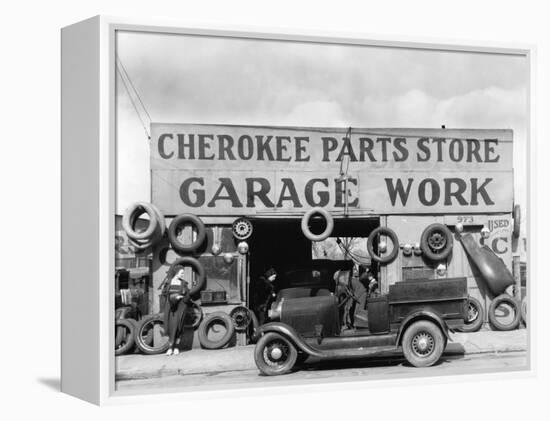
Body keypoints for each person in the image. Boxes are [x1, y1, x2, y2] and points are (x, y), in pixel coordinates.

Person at [162, 265, 191, 356]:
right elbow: (164, 294)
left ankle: (177, 347)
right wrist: (173, 298)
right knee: (171, 326)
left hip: (181, 307)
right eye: (181, 273)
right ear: (176, 273)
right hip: (171, 307)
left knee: (179, 326)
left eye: (183, 273)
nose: (183, 275)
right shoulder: (169, 282)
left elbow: (188, 296)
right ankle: (171, 347)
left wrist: (182, 298)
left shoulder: (184, 284)